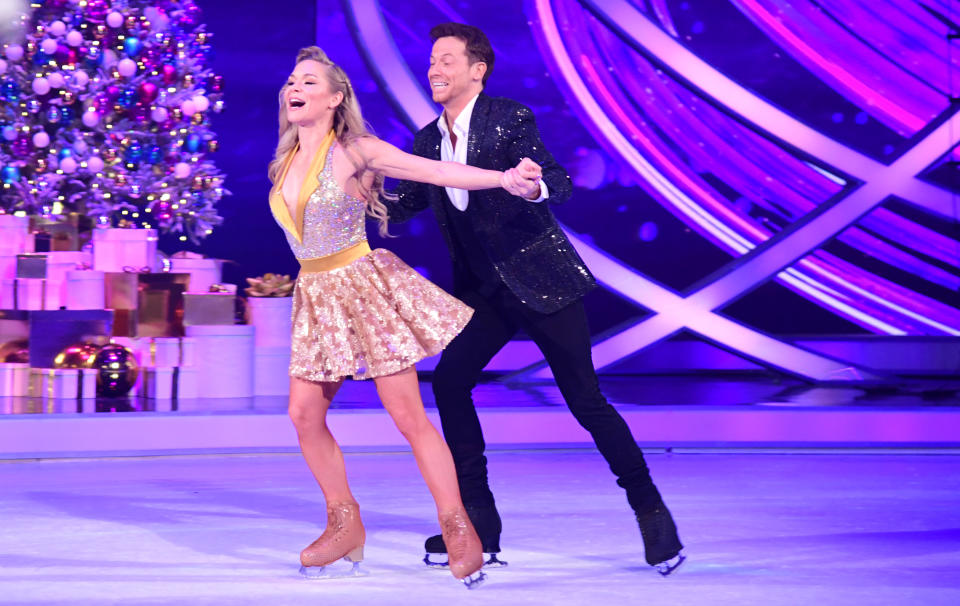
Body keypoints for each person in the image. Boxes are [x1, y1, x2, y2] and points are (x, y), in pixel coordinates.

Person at [387, 23, 685, 576]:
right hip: (484, 293)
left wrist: (532, 185)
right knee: (451, 382)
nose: (434, 69)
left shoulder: (508, 117)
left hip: (542, 282)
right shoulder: (428, 140)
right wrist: (353, 195)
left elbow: (556, 179)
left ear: (477, 69)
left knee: (586, 403)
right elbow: (407, 201)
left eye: (447, 59)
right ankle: (480, 521)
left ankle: (650, 510)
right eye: (431, 60)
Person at [269, 46, 542, 589]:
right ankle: (344, 522)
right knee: (303, 414)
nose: (293, 87)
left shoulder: (356, 149)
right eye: (291, 79)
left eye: (308, 81)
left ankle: (458, 524)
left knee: (408, 416)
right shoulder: (283, 160)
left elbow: (435, 170)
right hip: (317, 295)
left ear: (335, 96)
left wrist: (503, 178)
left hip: (360, 289)